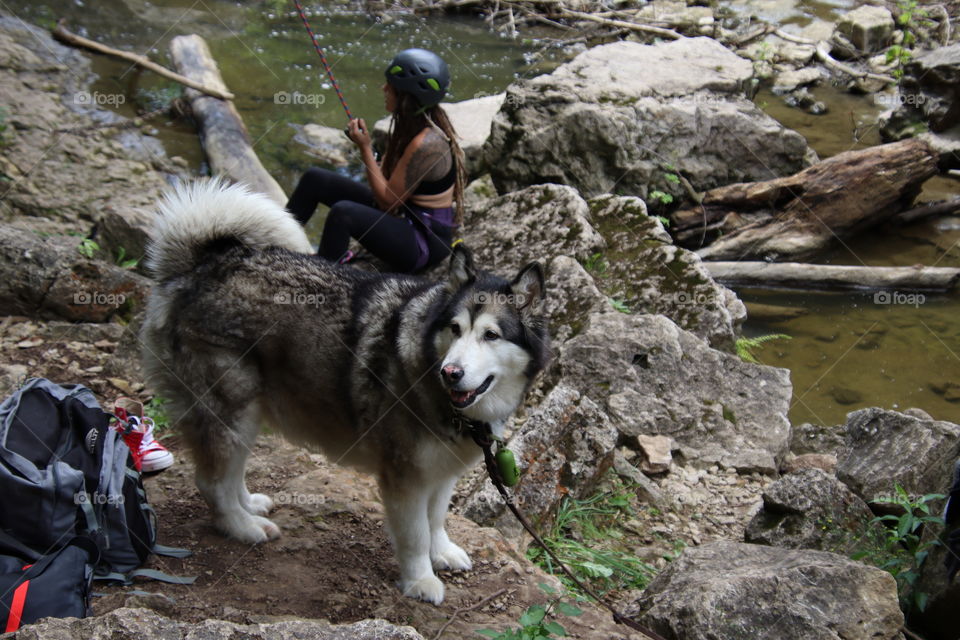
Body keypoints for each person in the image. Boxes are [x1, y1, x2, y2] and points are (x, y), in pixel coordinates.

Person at [286, 48, 467, 273]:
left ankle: (324, 276)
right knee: (315, 179)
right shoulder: (409, 126)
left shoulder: (427, 144)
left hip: (424, 241)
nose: (384, 89)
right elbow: (390, 186)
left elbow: (388, 203)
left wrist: (364, 148)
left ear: (404, 96)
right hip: (405, 216)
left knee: (343, 214)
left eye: (389, 86)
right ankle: (277, 244)